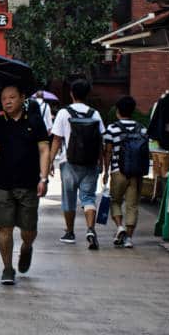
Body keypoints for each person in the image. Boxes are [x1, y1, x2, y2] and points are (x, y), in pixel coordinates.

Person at [0, 85, 52, 285]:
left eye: (12, 97)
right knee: (5, 228)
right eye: (4, 98)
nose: (8, 101)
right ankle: (7, 268)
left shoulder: (34, 121)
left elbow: (44, 150)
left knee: (29, 229)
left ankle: (27, 247)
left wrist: (43, 178)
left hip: (29, 184)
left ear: (22, 98)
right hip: (3, 184)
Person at [50, 78, 106, 250]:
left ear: (72, 93)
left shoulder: (63, 113)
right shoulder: (95, 114)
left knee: (69, 198)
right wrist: (102, 163)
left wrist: (50, 161)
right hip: (90, 163)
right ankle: (90, 229)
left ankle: (70, 232)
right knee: (88, 197)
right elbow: (101, 140)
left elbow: (57, 140)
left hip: (69, 162)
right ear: (87, 94)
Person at [103, 96, 149, 248]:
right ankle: (129, 239)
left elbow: (108, 152)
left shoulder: (112, 129)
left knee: (114, 201)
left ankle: (119, 227)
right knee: (132, 205)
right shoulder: (142, 129)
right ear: (133, 111)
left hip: (118, 172)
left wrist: (105, 171)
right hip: (136, 173)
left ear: (118, 111)